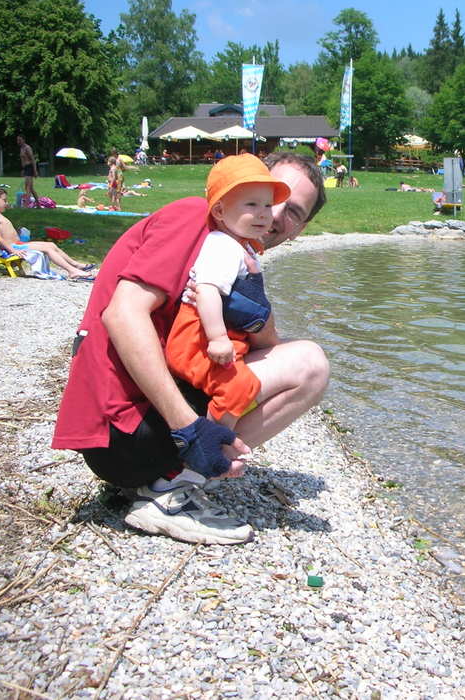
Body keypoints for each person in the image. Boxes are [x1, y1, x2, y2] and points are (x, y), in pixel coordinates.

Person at [51, 152, 328, 546]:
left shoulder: (235, 253)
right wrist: (189, 430)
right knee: (311, 365)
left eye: (293, 210)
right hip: (121, 433)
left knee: (282, 359)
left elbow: (265, 345)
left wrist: (256, 310)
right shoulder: (193, 217)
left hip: (132, 432)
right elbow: (123, 314)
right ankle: (170, 489)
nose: (274, 211)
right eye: (266, 192)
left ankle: (166, 478)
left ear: (300, 229)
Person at [165, 154, 289, 442]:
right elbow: (206, 290)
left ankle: (220, 429)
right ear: (219, 211)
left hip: (214, 336)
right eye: (251, 204)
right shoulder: (223, 247)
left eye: (268, 205)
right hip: (197, 338)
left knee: (246, 382)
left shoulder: (241, 246)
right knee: (239, 387)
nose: (263, 214)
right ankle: (209, 444)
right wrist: (218, 337)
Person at [0, 186, 95, 280]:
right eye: (4, 200)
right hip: (14, 247)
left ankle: (76, 265)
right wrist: (12, 250)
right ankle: (72, 271)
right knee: (47, 248)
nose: (6, 203)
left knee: (51, 245)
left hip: (18, 244)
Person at [17, 135, 39, 204]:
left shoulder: (27, 148)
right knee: (31, 188)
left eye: (20, 140)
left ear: (24, 140)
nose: (18, 142)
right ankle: (38, 204)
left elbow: (32, 159)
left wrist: (35, 171)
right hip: (26, 168)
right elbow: (23, 160)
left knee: (28, 187)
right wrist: (23, 169)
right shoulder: (21, 148)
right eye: (17, 140)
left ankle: (26, 205)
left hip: (30, 168)